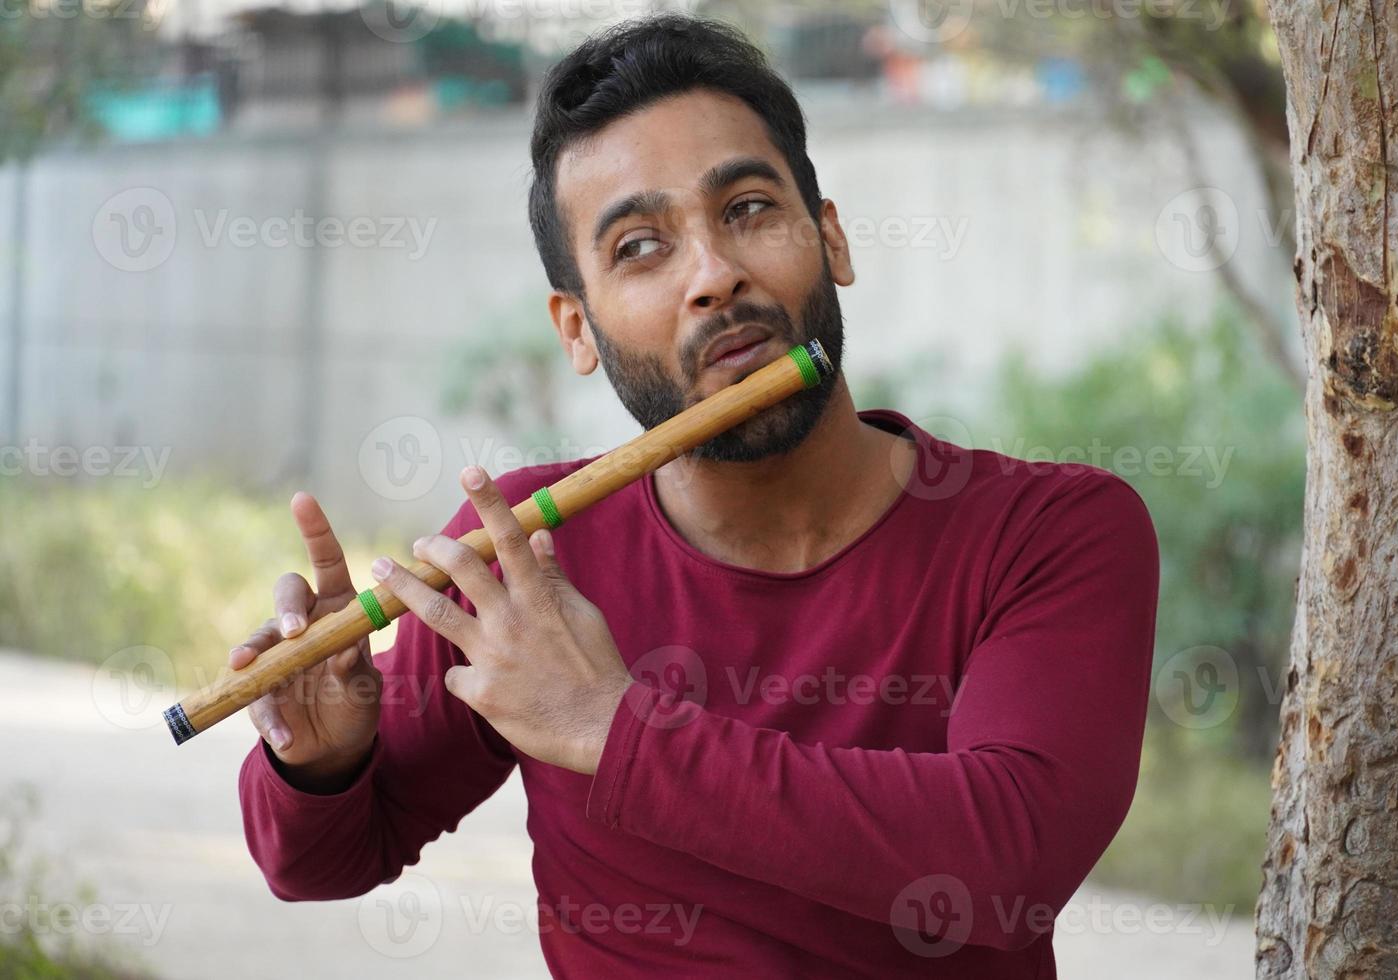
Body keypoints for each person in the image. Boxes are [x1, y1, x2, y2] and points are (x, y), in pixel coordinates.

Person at [233, 14, 1159, 977]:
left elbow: (1005, 859)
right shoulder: (525, 556)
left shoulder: (1051, 532)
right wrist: (318, 759)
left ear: (830, 238)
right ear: (576, 328)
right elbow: (325, 863)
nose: (715, 276)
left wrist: (609, 728)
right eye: (640, 248)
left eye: (750, 209)